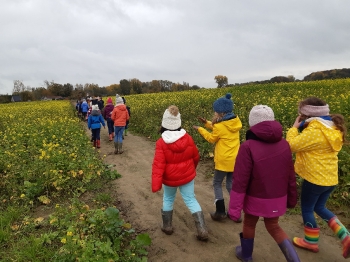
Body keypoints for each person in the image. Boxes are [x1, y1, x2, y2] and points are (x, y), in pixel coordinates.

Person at [228, 105, 300, 262]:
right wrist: (292, 199)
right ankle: (295, 260)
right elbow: (290, 176)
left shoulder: (247, 146)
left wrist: (234, 210)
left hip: (255, 197)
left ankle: (246, 255)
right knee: (274, 227)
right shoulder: (284, 144)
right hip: (278, 197)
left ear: (252, 124)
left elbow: (240, 180)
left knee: (249, 224)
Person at [286, 96, 349, 259]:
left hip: (315, 179)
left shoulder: (315, 130)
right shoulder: (333, 127)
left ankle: (310, 241)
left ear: (306, 116)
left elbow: (290, 146)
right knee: (320, 207)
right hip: (330, 179)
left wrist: (294, 128)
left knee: (307, 209)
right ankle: (346, 236)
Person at [152, 105, 208, 241]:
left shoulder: (161, 142)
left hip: (170, 179)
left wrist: (156, 184)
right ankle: (202, 229)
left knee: (168, 199)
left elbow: (158, 165)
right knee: (191, 199)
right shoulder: (187, 138)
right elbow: (196, 156)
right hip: (187, 177)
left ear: (164, 123)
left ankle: (167, 226)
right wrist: (191, 169)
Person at [193, 93, 242, 221]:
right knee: (231, 185)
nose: (214, 113)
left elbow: (211, 138)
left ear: (221, 113)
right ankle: (236, 213)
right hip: (235, 159)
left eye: (215, 111)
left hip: (223, 160)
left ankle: (220, 211)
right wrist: (206, 123)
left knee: (217, 183)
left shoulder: (220, 126)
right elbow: (219, 128)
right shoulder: (235, 122)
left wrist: (200, 129)